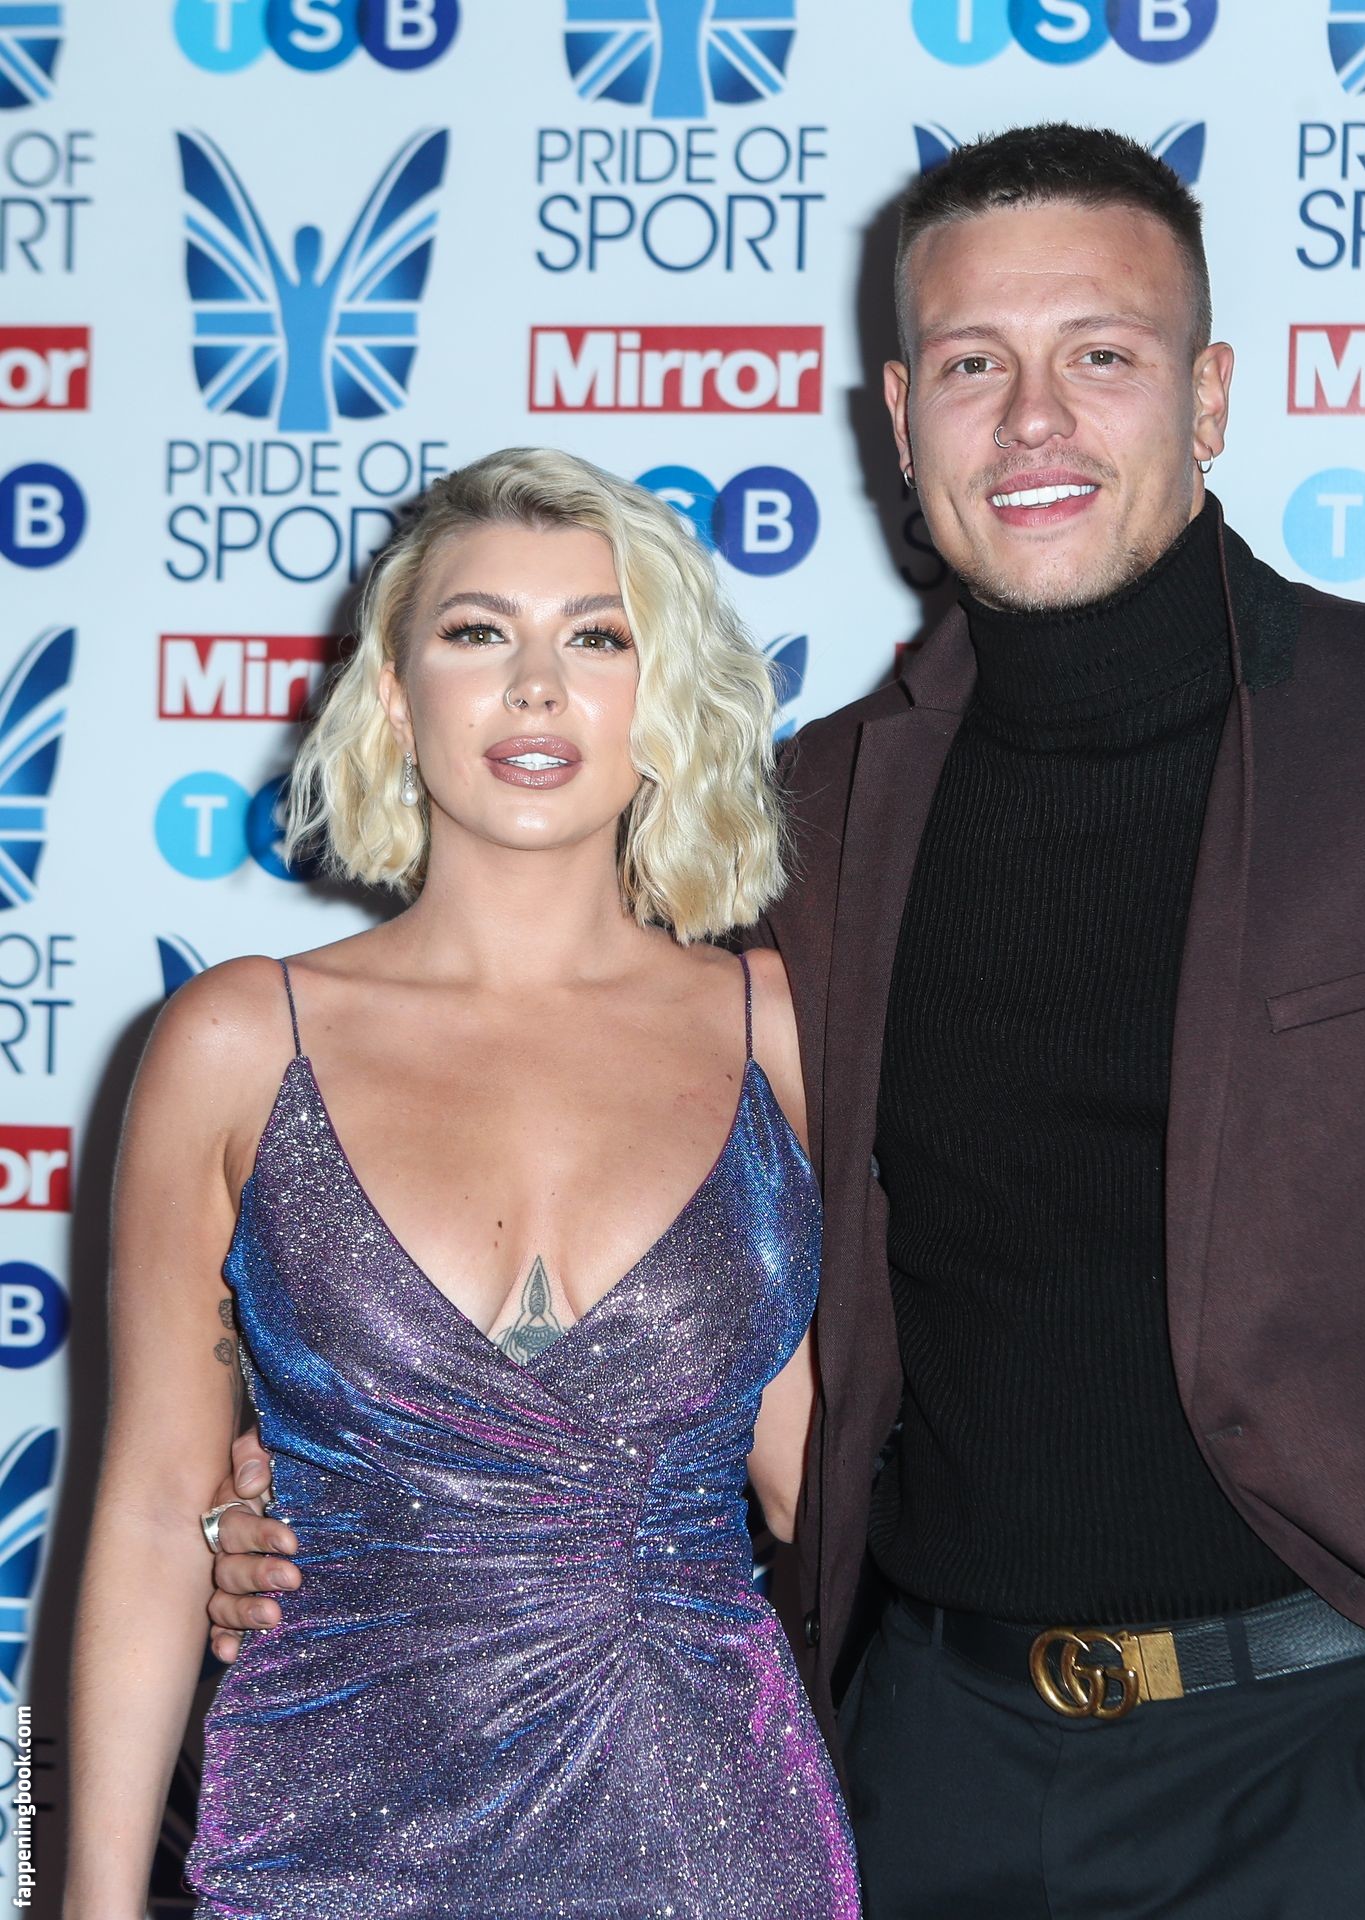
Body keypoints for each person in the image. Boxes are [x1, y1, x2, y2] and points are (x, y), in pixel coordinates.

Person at [208, 127, 1365, 1920]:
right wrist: (322, 1491)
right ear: (902, 421)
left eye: (1102, 355)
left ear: (1206, 397)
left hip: (1346, 1758)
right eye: (975, 364)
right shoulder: (808, 819)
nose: (1034, 420)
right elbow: (575, 1176)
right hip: (928, 1767)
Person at [68, 448, 858, 1919]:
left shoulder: (786, 1034)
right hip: (322, 1845)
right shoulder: (238, 1041)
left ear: (663, 699)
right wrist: (88, 1905)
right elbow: (156, 1506)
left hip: (708, 1843)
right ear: (394, 694)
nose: (536, 687)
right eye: (478, 632)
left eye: (598, 636)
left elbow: (832, 1480)